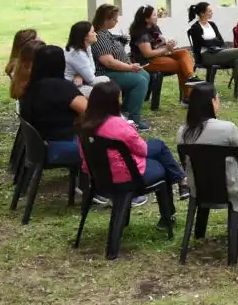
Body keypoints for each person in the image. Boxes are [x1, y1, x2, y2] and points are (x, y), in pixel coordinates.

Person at [77, 81, 189, 216]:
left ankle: (182, 182)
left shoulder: (84, 124)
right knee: (161, 161)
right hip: (126, 177)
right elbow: (143, 150)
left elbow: (83, 156)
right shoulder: (119, 125)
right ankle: (169, 212)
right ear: (114, 102)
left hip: (99, 179)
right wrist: (133, 132)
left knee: (158, 146)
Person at [176, 84, 238, 235]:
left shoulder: (182, 132)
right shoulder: (227, 128)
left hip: (199, 187)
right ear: (212, 101)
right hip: (230, 187)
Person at [19, 45, 87, 165]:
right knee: (111, 147)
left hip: (40, 146)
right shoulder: (61, 87)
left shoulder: (30, 87)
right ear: (61, 63)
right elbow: (92, 111)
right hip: (61, 147)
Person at [91, 3, 151, 131]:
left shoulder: (105, 33)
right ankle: (134, 119)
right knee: (139, 81)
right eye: (114, 19)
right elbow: (108, 62)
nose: (117, 21)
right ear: (105, 19)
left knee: (144, 75)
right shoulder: (100, 36)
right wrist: (129, 68)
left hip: (114, 69)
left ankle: (125, 112)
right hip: (105, 73)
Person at [129, 5, 203, 102]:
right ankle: (187, 97)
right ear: (146, 19)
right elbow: (148, 54)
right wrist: (166, 49)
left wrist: (169, 45)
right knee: (181, 65)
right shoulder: (141, 33)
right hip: (147, 62)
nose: (157, 17)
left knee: (184, 52)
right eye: (154, 15)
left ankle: (191, 78)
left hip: (160, 56)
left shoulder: (154, 27)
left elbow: (161, 45)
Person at [64, 21, 111, 97]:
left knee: (106, 81)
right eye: (92, 32)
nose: (96, 34)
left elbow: (92, 69)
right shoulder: (78, 54)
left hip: (79, 81)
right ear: (85, 36)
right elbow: (91, 78)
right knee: (105, 85)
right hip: (72, 86)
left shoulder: (86, 47)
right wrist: (83, 75)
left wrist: (80, 75)